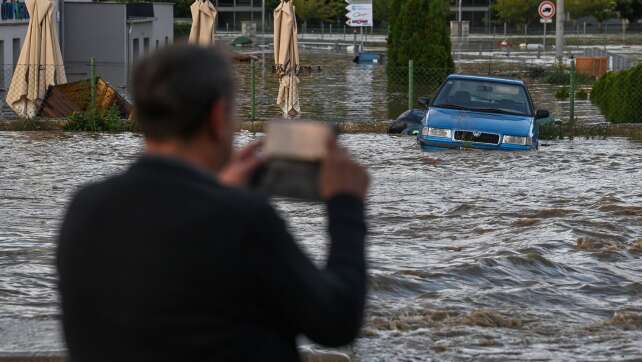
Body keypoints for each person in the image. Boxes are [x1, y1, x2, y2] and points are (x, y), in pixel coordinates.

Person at [56, 45, 369, 362]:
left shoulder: (85, 207)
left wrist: (218, 190)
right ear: (219, 117)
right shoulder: (243, 218)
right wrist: (346, 204)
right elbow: (337, 321)